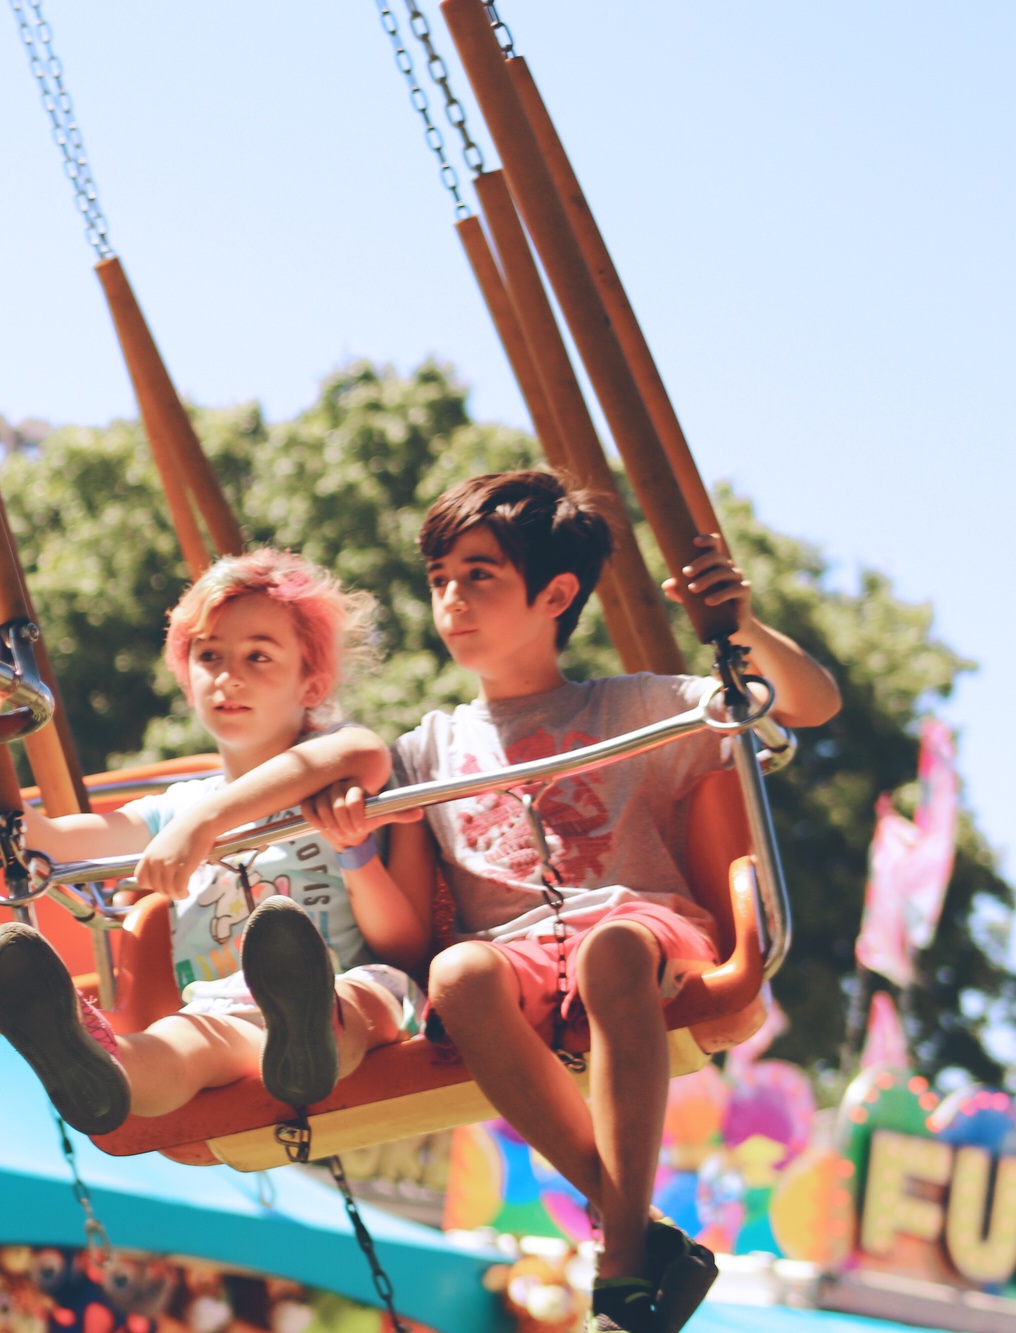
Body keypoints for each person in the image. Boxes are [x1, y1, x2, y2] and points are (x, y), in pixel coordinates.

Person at [302, 471, 840, 1333]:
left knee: (610, 951)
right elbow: (401, 925)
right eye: (439, 578)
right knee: (457, 970)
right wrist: (348, 833)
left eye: (478, 575)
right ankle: (633, 1229)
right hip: (512, 951)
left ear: (555, 594)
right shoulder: (426, 747)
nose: (451, 599)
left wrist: (739, 626)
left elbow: (807, 704)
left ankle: (620, 1258)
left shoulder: (632, 705)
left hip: (639, 927)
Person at [0, 550, 430, 1135]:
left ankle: (311, 1033)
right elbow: (40, 842)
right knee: (177, 1045)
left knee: (357, 1001)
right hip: (226, 1011)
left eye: (258, 656)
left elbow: (362, 751)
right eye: (208, 655)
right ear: (188, 678)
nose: (228, 675)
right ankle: (100, 1068)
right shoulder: (172, 811)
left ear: (313, 682)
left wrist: (206, 824)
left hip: (348, 986)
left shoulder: (333, 774)